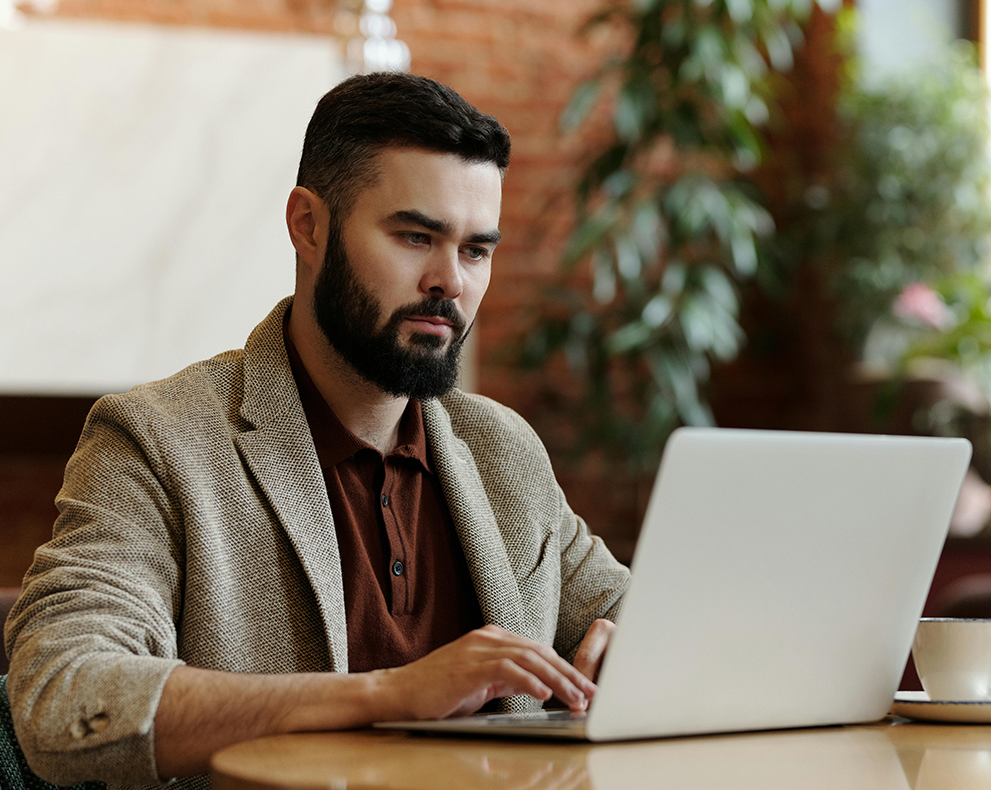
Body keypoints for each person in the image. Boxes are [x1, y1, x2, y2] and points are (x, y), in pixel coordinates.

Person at [3, 72, 630, 789]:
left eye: (475, 250)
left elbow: (638, 616)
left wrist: (644, 645)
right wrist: (388, 695)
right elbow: (63, 697)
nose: (449, 281)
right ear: (309, 226)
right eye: (416, 236)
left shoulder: (503, 449)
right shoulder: (156, 441)